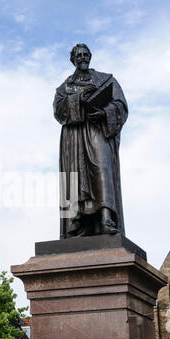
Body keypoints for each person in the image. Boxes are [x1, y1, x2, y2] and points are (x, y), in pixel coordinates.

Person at [53, 44, 128, 238]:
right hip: (74, 137)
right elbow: (58, 111)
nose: (83, 58)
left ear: (91, 56)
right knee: (73, 177)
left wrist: (104, 112)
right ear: (73, 59)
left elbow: (121, 105)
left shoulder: (106, 80)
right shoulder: (65, 86)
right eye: (79, 55)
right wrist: (78, 98)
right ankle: (76, 224)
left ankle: (106, 219)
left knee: (102, 169)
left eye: (86, 55)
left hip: (98, 129)